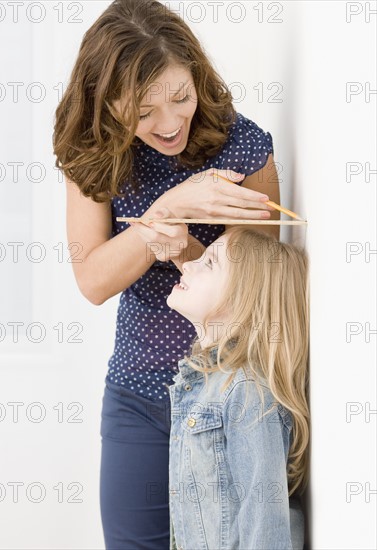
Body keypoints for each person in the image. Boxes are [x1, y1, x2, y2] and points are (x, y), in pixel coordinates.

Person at [53, 0, 281, 547]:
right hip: (137, 398)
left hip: (231, 397)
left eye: (181, 96)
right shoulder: (93, 153)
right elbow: (93, 280)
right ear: (106, 104)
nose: (171, 121)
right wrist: (170, 208)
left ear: (195, 76)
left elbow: (261, 280)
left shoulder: (239, 142)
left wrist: (182, 247)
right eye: (143, 110)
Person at [165, 227, 310, 550]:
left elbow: (265, 524)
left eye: (210, 263)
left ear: (243, 297)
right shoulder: (206, 383)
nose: (187, 264)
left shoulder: (246, 392)